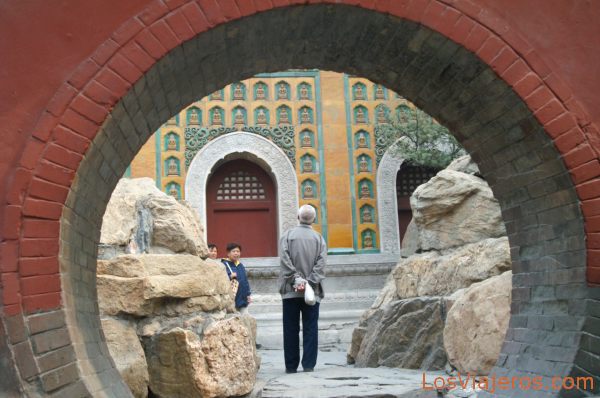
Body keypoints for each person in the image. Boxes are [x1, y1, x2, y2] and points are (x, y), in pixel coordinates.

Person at [278, 205, 326, 373]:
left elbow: (284, 260)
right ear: (313, 219)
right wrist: (309, 283)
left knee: (290, 328)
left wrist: (296, 279)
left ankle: (291, 366)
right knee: (311, 327)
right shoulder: (319, 238)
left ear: (298, 216)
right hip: (312, 292)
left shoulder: (287, 236)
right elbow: (321, 264)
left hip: (290, 291)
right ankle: (309, 365)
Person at [221, 243, 252, 314]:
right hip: (231, 300)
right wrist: (229, 277)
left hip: (243, 299)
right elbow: (220, 281)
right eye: (233, 251)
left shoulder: (240, 265)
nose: (236, 253)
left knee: (245, 320)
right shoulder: (224, 265)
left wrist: (248, 295)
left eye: (238, 251)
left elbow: (245, 282)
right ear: (228, 253)